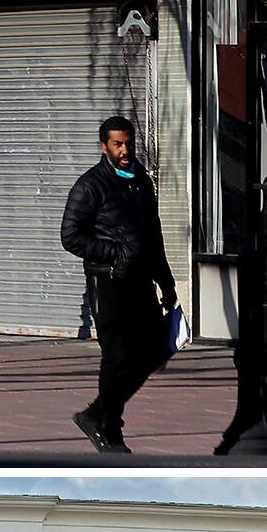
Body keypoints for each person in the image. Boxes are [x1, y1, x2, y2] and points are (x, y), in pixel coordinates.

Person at [60, 114, 177, 454]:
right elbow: (70, 237)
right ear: (104, 146)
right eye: (118, 144)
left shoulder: (140, 180)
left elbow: (153, 237)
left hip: (141, 282)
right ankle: (108, 426)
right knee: (118, 358)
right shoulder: (90, 185)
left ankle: (98, 415)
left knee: (153, 353)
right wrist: (117, 253)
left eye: (128, 143)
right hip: (108, 283)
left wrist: (166, 282)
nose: (125, 150)